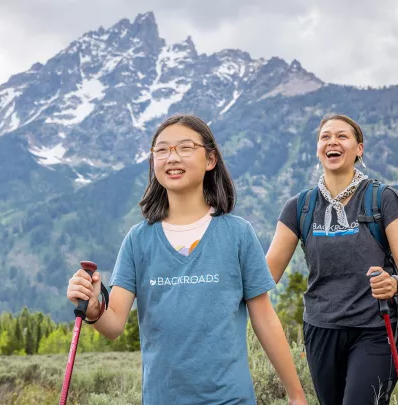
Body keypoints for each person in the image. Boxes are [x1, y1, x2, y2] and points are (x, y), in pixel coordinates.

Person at [67, 114, 308, 404]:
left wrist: (296, 395)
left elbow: (265, 320)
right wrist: (93, 308)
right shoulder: (138, 240)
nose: (172, 157)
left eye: (185, 148)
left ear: (210, 160)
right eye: (162, 150)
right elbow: (114, 324)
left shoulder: (237, 234)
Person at [266, 113, 398, 404]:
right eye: (325, 136)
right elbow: (265, 277)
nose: (332, 142)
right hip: (320, 331)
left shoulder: (382, 199)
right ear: (317, 148)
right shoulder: (299, 207)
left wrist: (394, 283)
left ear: (358, 149)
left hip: (374, 330)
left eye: (342, 136)